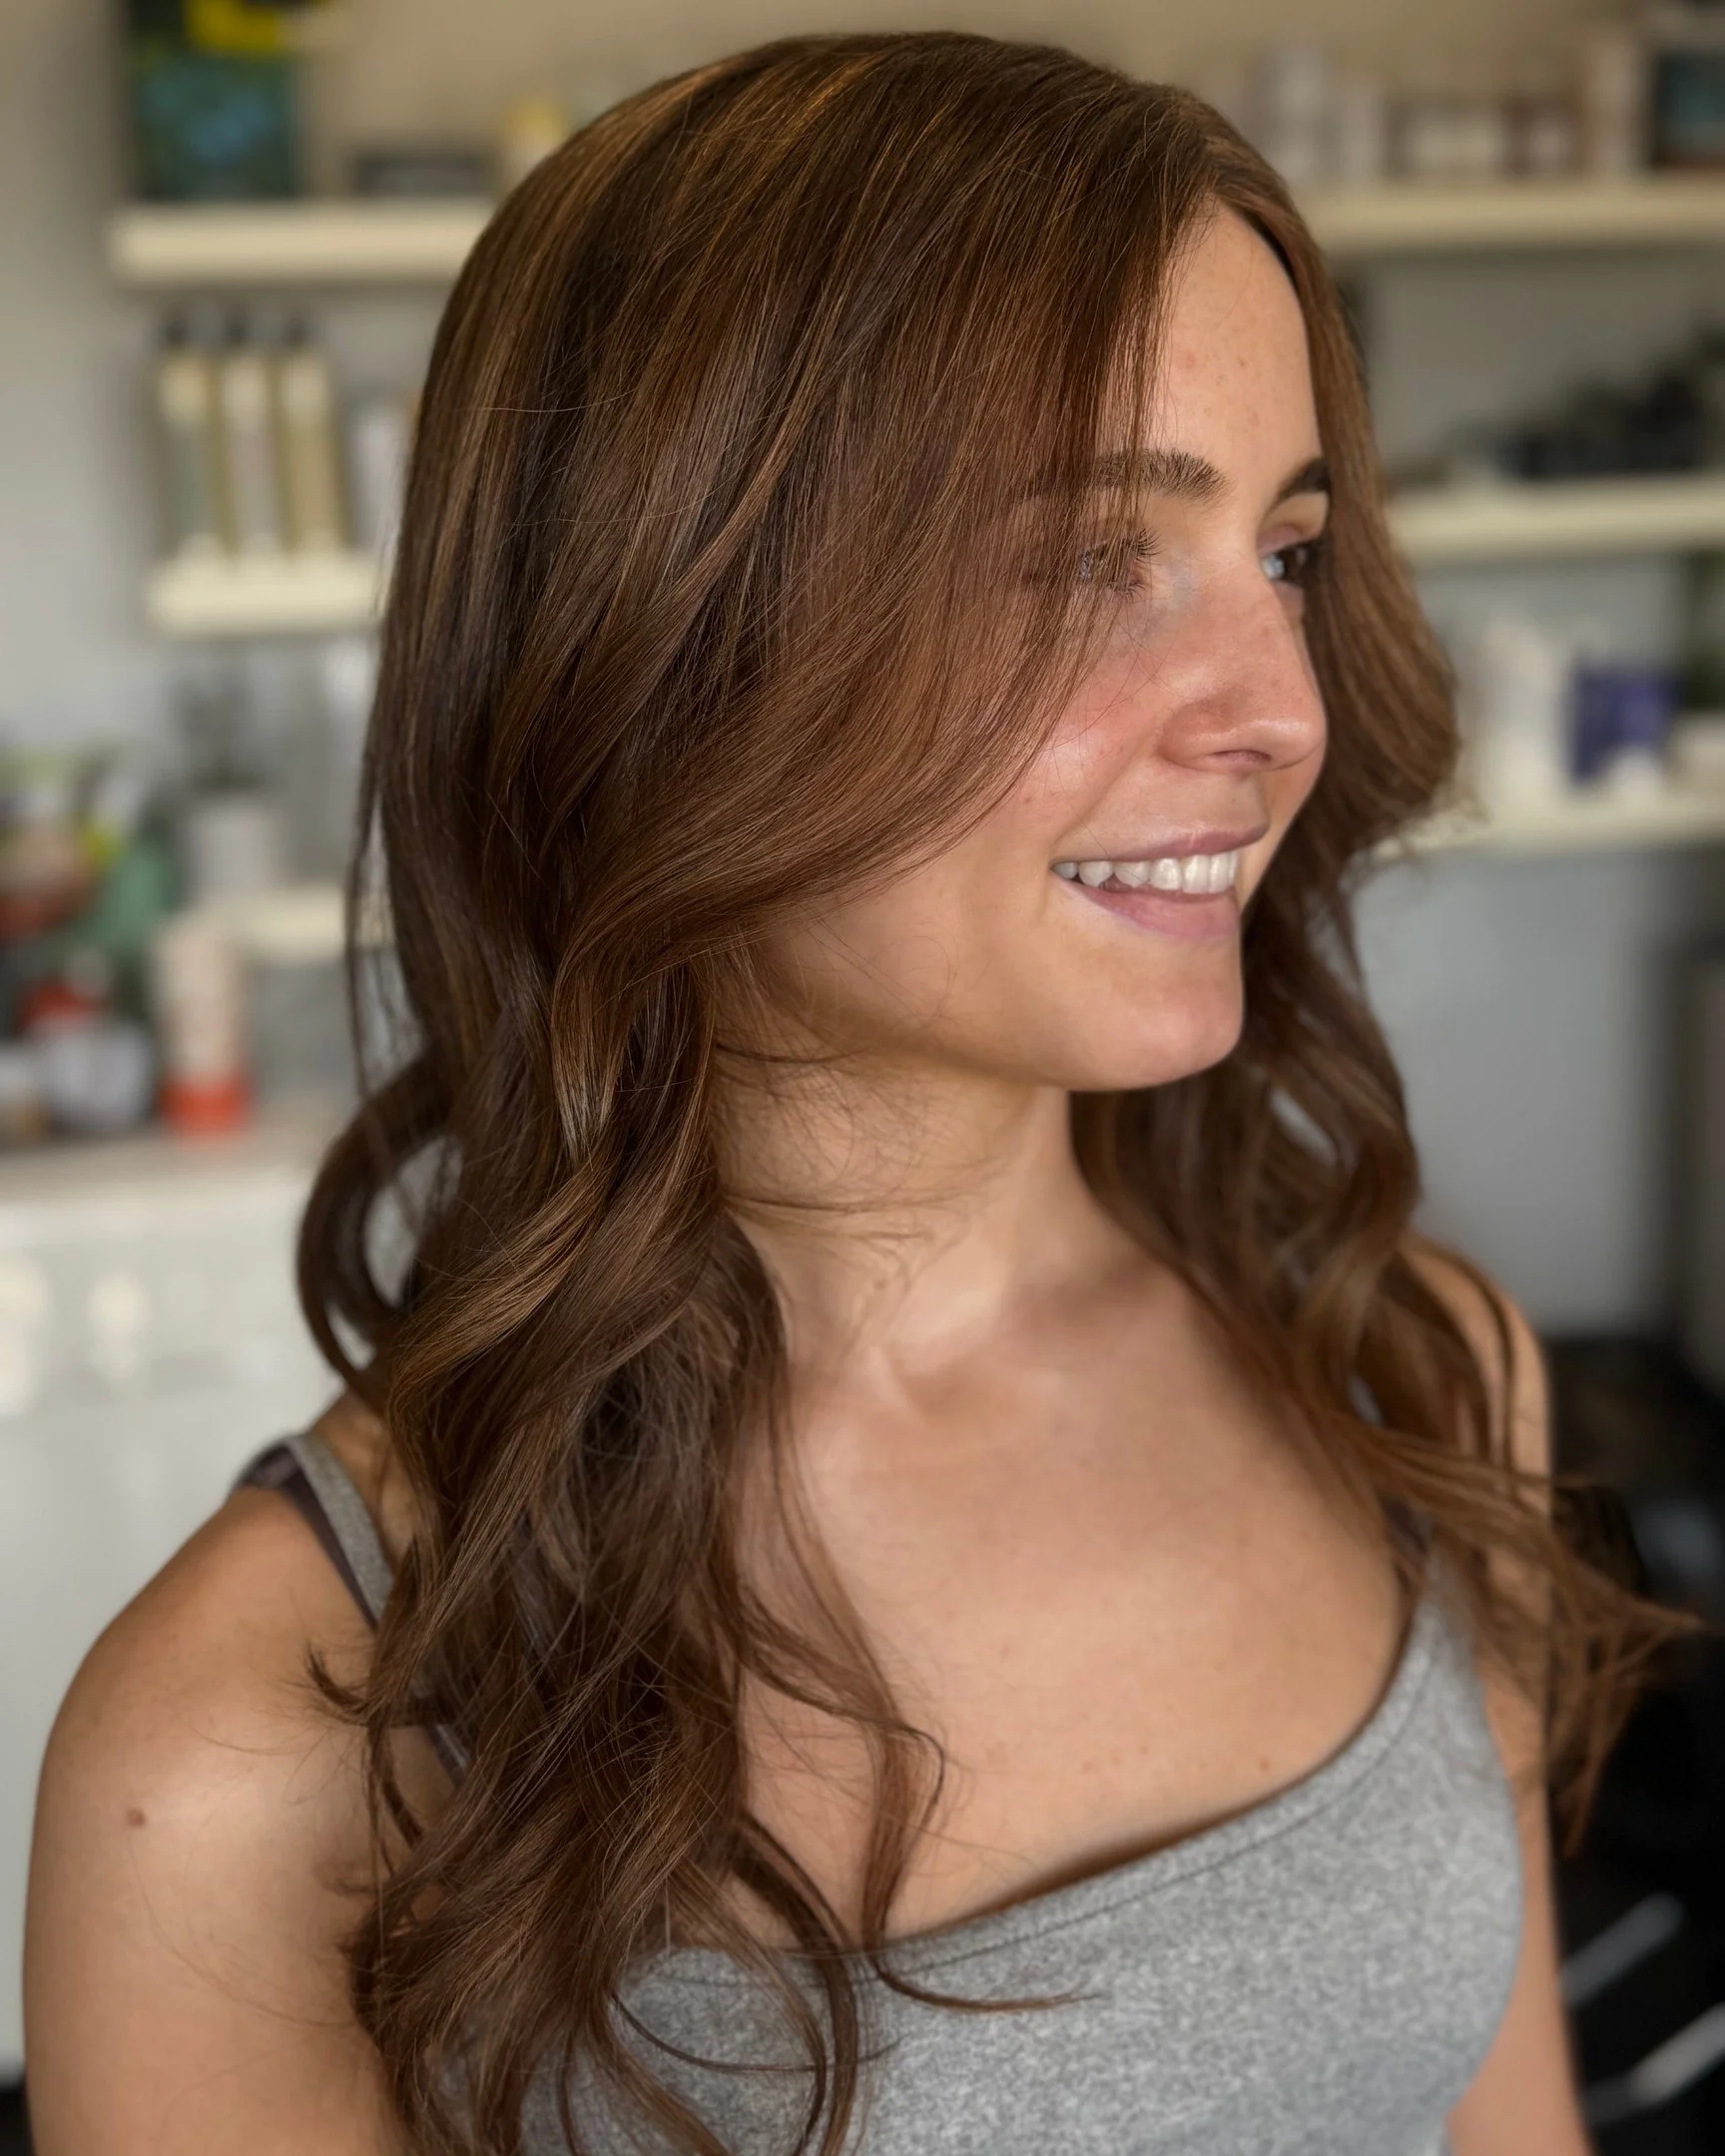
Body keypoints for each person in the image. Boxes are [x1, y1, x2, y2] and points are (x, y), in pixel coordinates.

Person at [23, 32, 1687, 2156]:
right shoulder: (258, 1753)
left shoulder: (1415, 1378)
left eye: (1284, 553)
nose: (1282, 707)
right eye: (1088, 561)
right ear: (656, 644)